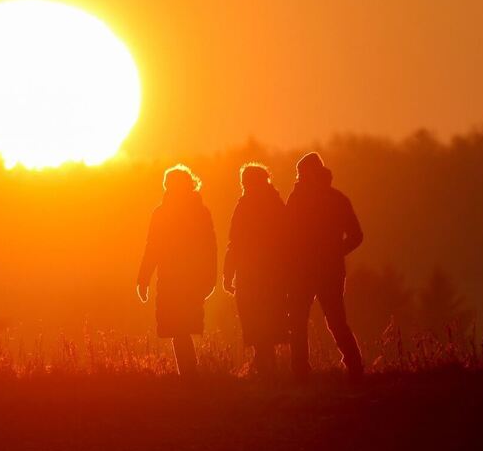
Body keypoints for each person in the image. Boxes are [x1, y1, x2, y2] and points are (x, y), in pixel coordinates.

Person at [286, 152, 364, 381]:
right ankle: (305, 371)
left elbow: (356, 235)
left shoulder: (302, 199)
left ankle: (305, 372)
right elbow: (356, 236)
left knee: (315, 321)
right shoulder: (335, 199)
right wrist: (336, 252)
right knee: (311, 320)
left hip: (313, 271)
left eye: (302, 173)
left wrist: (334, 252)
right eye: (299, 174)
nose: (300, 177)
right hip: (316, 271)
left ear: (312, 173)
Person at [137, 165, 217, 376]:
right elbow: (210, 248)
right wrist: (210, 279)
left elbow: (152, 247)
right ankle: (189, 374)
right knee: (180, 328)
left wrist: (144, 279)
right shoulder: (199, 211)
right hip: (186, 280)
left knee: (178, 328)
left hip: (175, 281)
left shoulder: (163, 213)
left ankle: (189, 375)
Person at [223, 163, 289, 377]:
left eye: (245, 181)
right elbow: (288, 239)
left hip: (250, 274)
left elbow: (234, 242)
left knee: (254, 318)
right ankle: (267, 367)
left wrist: (227, 273)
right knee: (268, 319)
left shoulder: (244, 206)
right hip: (273, 274)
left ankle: (264, 368)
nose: (244, 185)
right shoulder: (276, 203)